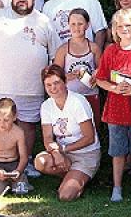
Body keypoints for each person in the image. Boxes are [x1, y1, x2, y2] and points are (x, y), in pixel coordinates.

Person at [0, 0, 57, 179]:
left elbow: (55, 55)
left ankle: (24, 165)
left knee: (28, 125)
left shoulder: (44, 21)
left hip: (31, 88)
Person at [95, 9, 131, 202]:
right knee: (118, 152)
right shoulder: (111, 51)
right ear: (114, 29)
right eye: (119, 26)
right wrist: (114, 88)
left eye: (128, 25)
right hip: (116, 110)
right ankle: (117, 187)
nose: (124, 29)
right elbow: (100, 79)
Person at [34, 65, 101, 201]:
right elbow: (47, 137)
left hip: (86, 154)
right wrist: (56, 153)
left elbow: (90, 138)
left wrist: (63, 149)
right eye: (48, 85)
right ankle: (72, 176)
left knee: (65, 196)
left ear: (65, 82)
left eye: (56, 83)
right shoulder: (46, 106)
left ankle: (77, 178)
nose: (53, 88)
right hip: (63, 153)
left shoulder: (78, 102)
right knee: (40, 162)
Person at [52, 8, 102, 128]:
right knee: (73, 128)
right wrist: (66, 76)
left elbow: (102, 70)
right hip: (70, 97)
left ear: (87, 25)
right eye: (73, 24)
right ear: (68, 25)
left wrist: (96, 74)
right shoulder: (63, 49)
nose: (76, 27)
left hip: (91, 95)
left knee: (92, 128)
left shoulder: (94, 48)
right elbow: (54, 76)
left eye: (80, 24)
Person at [0, 98, 30, 196]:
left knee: (20, 190)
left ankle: (18, 179)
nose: (2, 124)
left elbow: (24, 157)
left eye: (6, 120)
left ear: (14, 117)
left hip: (14, 164)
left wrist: (18, 171)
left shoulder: (18, 132)